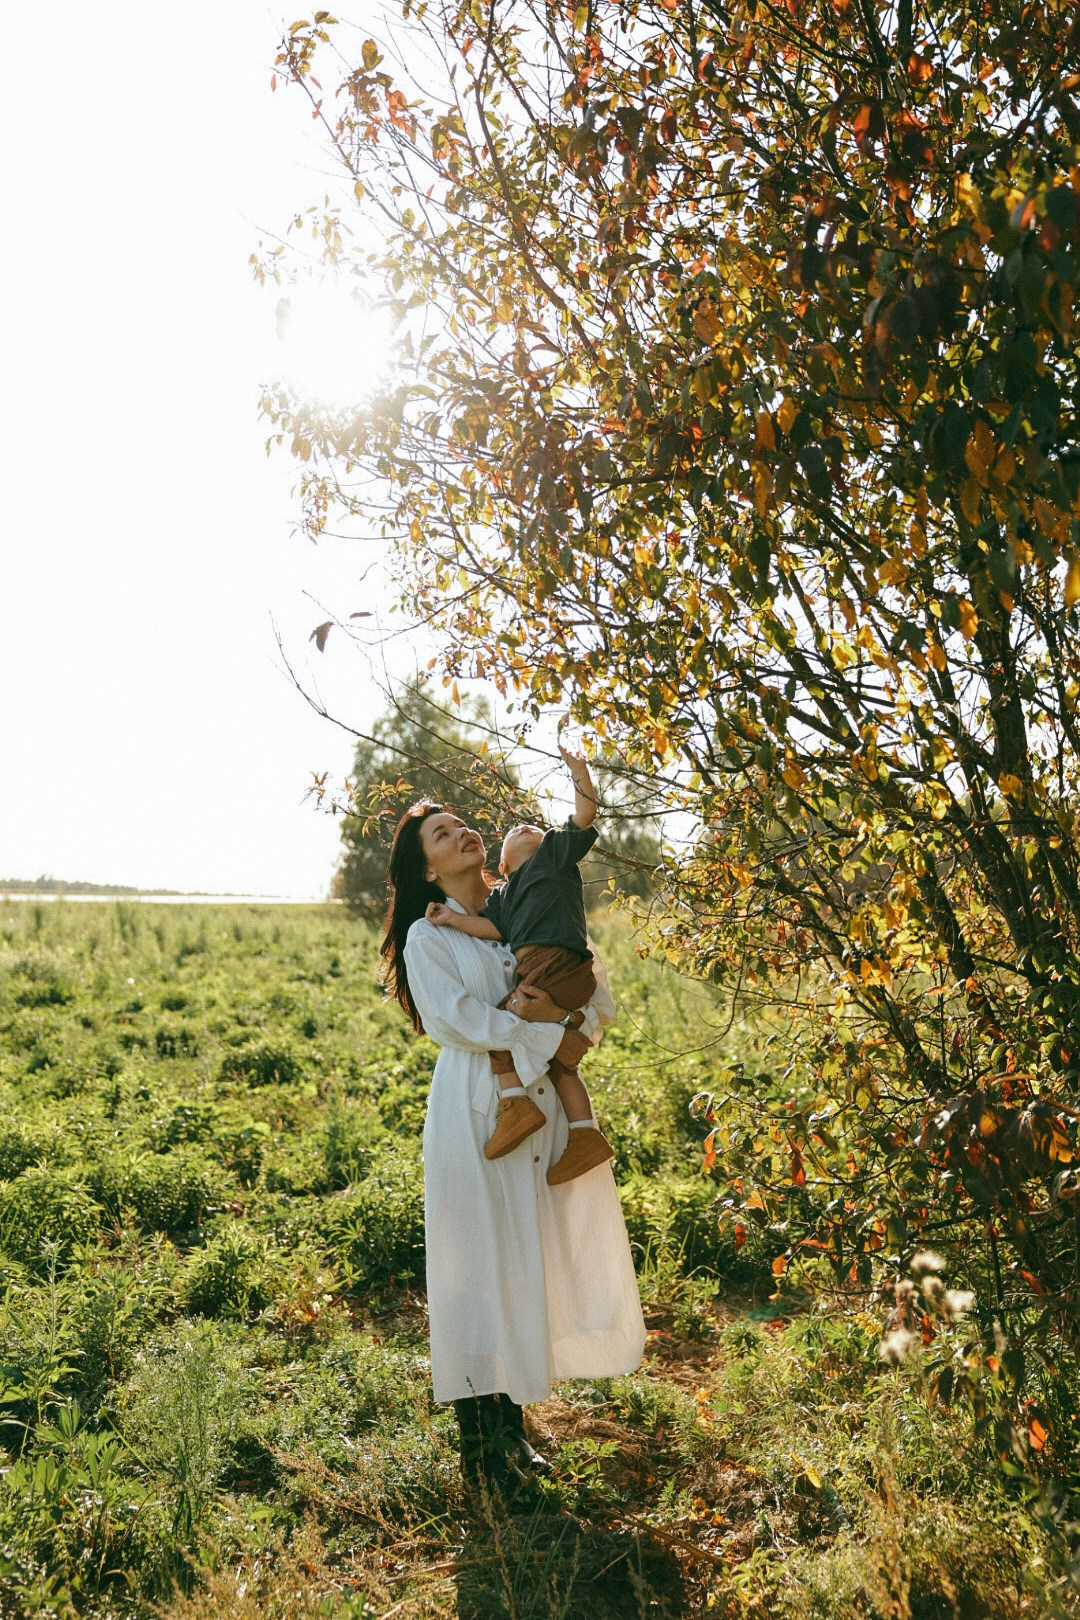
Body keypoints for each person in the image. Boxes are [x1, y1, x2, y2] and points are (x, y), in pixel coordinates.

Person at [380, 799, 646, 1501]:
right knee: (474, 1267)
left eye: (460, 824)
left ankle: (515, 1428)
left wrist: (566, 1023)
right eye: (441, 834)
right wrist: (544, 1034)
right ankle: (483, 1450)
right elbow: (458, 1021)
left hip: (542, 1103)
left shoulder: (525, 905)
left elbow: (590, 989)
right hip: (476, 1107)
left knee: (522, 1255)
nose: (461, 831)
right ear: (427, 868)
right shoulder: (428, 937)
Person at [423, 743, 613, 1185]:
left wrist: (578, 771)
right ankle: (584, 1133)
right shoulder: (505, 897)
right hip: (548, 972)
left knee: (500, 1022)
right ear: (504, 865)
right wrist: (451, 918)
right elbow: (490, 930)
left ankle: (514, 1103)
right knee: (562, 1064)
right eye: (514, 830)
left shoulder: (554, 856)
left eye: (533, 826)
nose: (526, 825)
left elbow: (585, 815)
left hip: (554, 964)